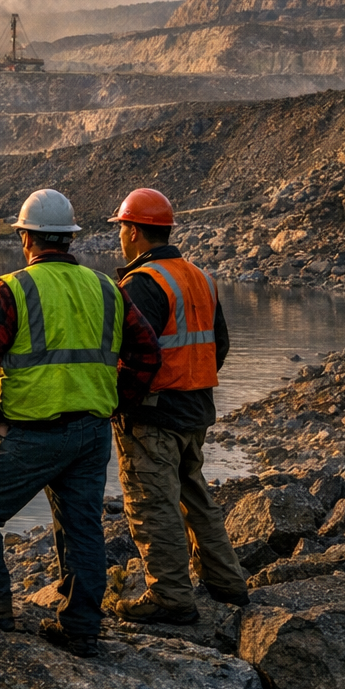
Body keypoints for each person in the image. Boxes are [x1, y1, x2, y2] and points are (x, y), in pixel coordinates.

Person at [0, 188, 162, 657]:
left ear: (27, 239)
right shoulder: (107, 287)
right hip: (92, 432)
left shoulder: (13, 289)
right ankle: (81, 628)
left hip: (33, 433)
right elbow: (146, 352)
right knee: (82, 527)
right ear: (68, 238)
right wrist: (116, 403)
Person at [108, 188, 249, 623]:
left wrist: (120, 404)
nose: (120, 237)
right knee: (194, 495)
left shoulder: (142, 284)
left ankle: (170, 596)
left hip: (153, 413)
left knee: (153, 504)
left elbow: (135, 355)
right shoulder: (198, 276)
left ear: (132, 231)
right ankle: (226, 583)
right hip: (195, 409)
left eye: (121, 229)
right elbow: (218, 344)